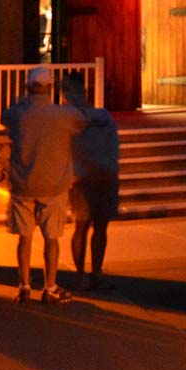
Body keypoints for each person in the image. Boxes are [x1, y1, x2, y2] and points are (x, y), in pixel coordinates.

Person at [3, 65, 86, 303]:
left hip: (23, 183)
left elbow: (5, 117)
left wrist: (21, 100)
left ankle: (24, 284)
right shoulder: (63, 115)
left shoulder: (18, 114)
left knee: (24, 238)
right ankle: (50, 285)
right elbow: (82, 120)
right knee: (52, 238)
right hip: (54, 184)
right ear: (50, 87)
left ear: (29, 87)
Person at [65, 78, 120, 290]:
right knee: (87, 226)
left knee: (94, 227)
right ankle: (86, 274)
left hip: (94, 178)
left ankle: (92, 274)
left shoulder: (98, 116)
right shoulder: (95, 117)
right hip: (89, 179)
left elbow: (113, 142)